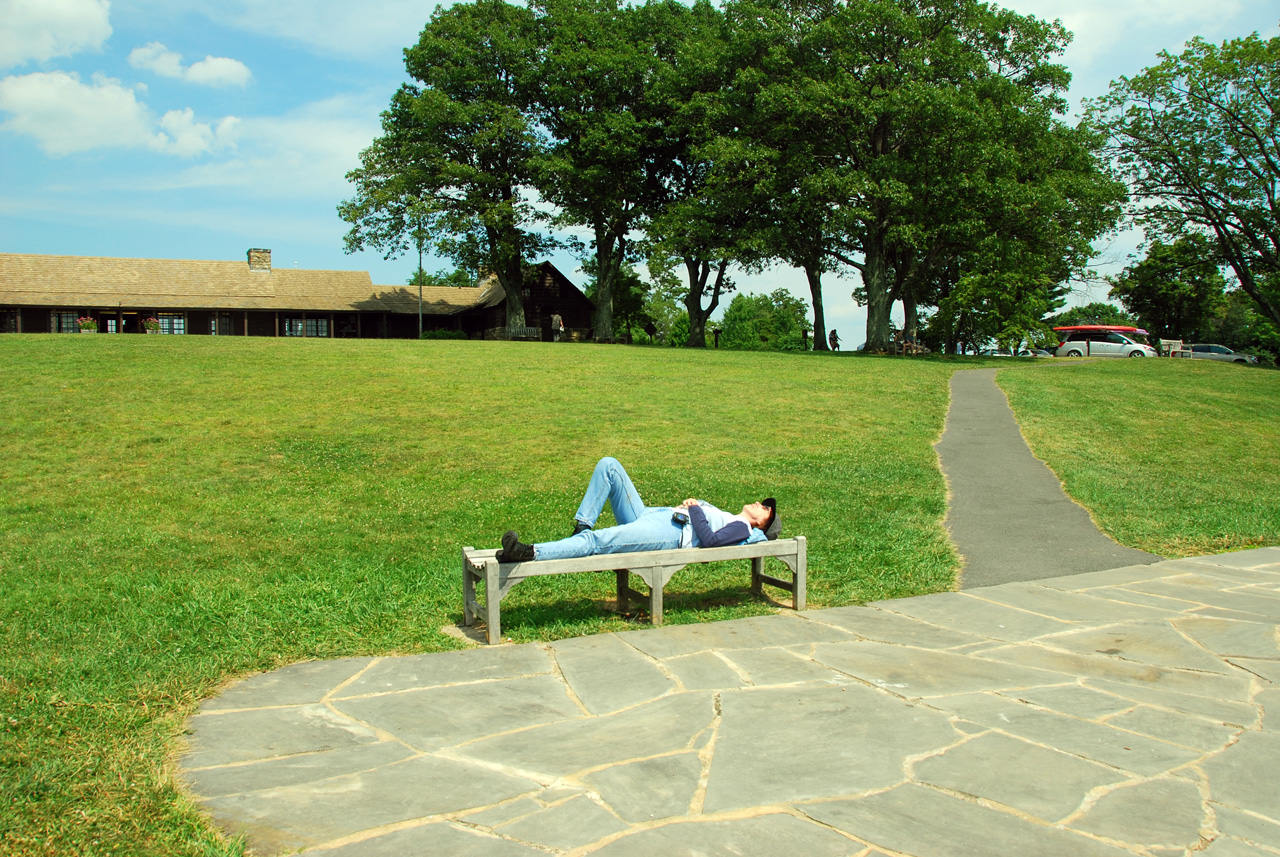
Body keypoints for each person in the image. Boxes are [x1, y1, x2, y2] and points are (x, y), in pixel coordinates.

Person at [496, 457, 780, 562]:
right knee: (609, 466)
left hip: (670, 531)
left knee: (599, 542)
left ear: (762, 524)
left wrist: (695, 509)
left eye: (766, 509)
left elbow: (711, 541)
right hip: (654, 515)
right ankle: (581, 526)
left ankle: (528, 552)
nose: (760, 503)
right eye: (764, 502)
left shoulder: (744, 528)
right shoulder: (734, 518)